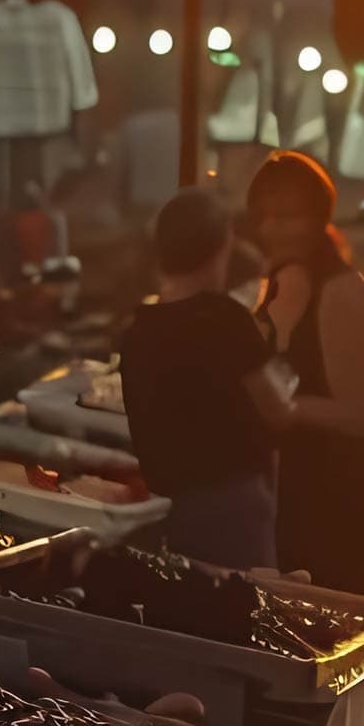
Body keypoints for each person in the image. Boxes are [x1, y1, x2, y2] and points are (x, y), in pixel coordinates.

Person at [121, 190, 294, 569]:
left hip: (164, 504)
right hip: (232, 508)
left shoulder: (138, 329)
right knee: (242, 602)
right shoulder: (226, 318)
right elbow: (278, 411)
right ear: (220, 250)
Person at [244, 151, 364, 593]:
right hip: (290, 491)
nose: (273, 228)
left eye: (288, 217)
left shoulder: (341, 291)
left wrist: (284, 408)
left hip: (332, 497)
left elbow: (357, 414)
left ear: (318, 217)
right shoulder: (281, 278)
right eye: (265, 216)